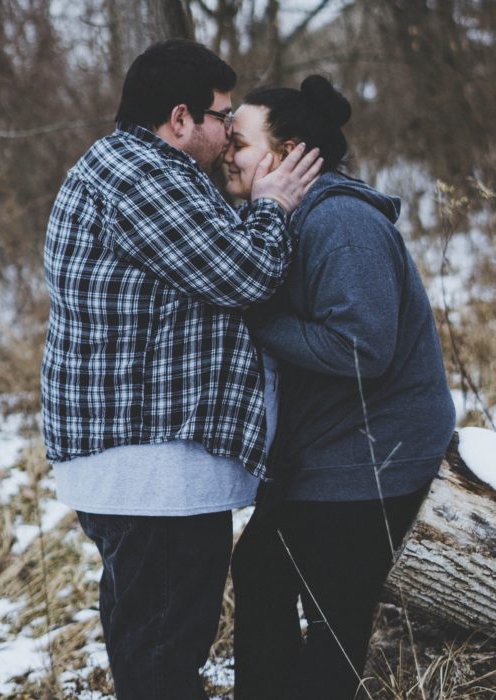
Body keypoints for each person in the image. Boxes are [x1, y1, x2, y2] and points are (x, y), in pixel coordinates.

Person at [40, 39, 321, 700]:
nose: (229, 135)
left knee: (149, 641)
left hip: (144, 468)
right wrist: (274, 204)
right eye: (223, 116)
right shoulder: (141, 174)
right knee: (164, 651)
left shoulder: (129, 168)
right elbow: (242, 273)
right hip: (150, 473)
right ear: (179, 118)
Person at [225, 75, 456, 700]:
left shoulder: (342, 224)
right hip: (328, 455)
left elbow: (362, 348)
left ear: (289, 153)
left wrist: (259, 321)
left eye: (238, 142)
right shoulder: (287, 221)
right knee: (263, 571)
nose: (226, 154)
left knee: (333, 619)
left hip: (375, 460)